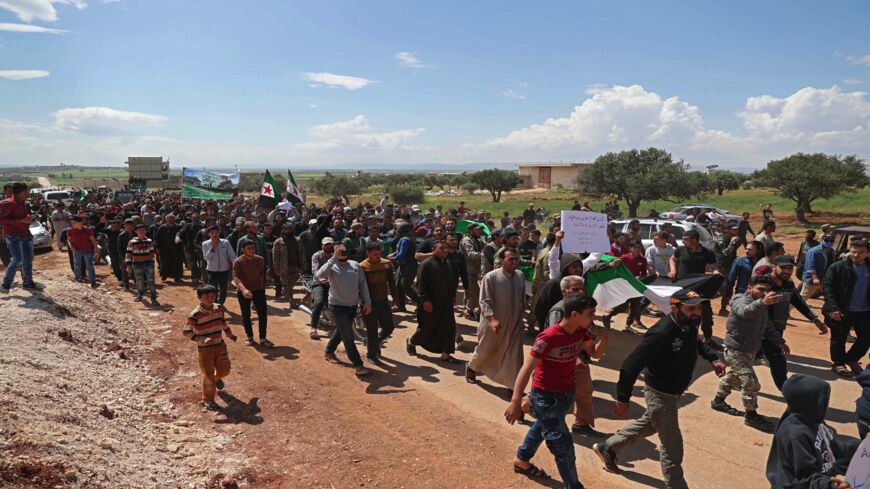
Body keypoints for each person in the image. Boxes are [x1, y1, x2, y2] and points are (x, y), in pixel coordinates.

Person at [593, 289, 727, 488]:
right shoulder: (661, 332)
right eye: (691, 308)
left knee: (650, 424)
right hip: (660, 393)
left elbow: (695, 343)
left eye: (699, 307)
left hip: (675, 391)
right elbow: (631, 364)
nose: (697, 312)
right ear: (675, 308)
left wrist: (713, 358)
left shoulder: (688, 323)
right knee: (672, 445)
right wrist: (623, 398)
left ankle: (607, 447)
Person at [505, 295, 605, 489]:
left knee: (544, 425)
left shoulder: (580, 331)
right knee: (562, 444)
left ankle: (522, 460)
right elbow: (526, 368)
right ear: (574, 314)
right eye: (590, 314)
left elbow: (595, 353)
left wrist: (604, 339)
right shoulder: (548, 337)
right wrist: (516, 401)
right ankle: (573, 485)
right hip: (545, 397)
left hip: (566, 393)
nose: (593, 318)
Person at [711, 275, 787, 432]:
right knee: (750, 382)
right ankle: (751, 415)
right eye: (761, 289)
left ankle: (718, 401)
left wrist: (779, 341)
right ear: (749, 288)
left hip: (749, 350)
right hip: (735, 350)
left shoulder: (762, 306)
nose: (764, 292)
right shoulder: (740, 299)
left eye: (767, 290)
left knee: (733, 377)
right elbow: (743, 312)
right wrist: (762, 302)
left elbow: (767, 326)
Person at [766, 375, 858, 489]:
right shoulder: (795, 435)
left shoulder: (814, 421)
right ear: (808, 402)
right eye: (823, 399)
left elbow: (832, 448)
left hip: (820, 477)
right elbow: (804, 477)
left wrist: (861, 447)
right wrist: (830, 486)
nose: (826, 404)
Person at [546, 275, 609, 437]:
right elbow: (555, 339)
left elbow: (591, 345)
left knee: (584, 391)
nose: (580, 292)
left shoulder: (584, 308)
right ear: (564, 291)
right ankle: (523, 407)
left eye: (581, 288)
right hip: (558, 361)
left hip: (578, 359)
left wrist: (599, 337)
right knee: (548, 396)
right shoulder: (559, 310)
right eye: (575, 289)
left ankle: (582, 423)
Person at [763, 255, 828, 390]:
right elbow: (761, 315)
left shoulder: (788, 284)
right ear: (775, 266)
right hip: (759, 330)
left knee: (749, 358)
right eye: (783, 268)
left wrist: (815, 319)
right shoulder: (763, 284)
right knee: (778, 362)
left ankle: (730, 382)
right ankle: (787, 392)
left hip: (777, 328)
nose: (787, 271)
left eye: (790, 268)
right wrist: (779, 340)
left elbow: (798, 302)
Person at [467, 248, 527, 388]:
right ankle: (471, 367)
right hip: (493, 323)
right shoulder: (491, 277)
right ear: (501, 260)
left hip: (514, 323)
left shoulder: (520, 276)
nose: (514, 262)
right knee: (486, 350)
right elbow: (485, 301)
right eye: (510, 259)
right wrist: (492, 319)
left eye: (516, 259)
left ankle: (513, 387)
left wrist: (522, 316)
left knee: (514, 356)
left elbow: (522, 299)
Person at [318, 243, 372, 377]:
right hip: (337, 306)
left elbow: (363, 284)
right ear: (333, 251)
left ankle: (329, 351)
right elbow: (320, 274)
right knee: (348, 336)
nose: (342, 252)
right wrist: (334, 258)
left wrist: (368, 302)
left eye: (344, 249)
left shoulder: (355, 265)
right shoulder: (332, 265)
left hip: (352, 306)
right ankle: (358, 365)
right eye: (338, 250)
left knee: (342, 330)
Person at [182, 284, 238, 411]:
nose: (210, 299)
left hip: (220, 345)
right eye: (206, 297)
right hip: (205, 349)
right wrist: (202, 339)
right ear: (199, 298)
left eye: (212, 296)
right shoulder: (195, 315)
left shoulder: (218, 308)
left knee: (225, 370)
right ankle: (207, 400)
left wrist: (230, 334)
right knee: (208, 374)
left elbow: (222, 322)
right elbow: (186, 331)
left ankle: (216, 378)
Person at [822, 239, 870, 378]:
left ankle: (852, 359)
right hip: (841, 310)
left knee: (866, 338)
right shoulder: (837, 267)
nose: (856, 255)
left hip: (865, 311)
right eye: (854, 251)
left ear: (868, 253)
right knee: (839, 338)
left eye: (861, 252)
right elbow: (828, 288)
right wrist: (833, 308)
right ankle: (838, 363)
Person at [669, 229, 721, 350]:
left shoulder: (707, 252)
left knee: (706, 315)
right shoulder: (680, 250)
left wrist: (716, 272)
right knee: (681, 313)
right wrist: (673, 270)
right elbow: (673, 259)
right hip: (682, 288)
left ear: (694, 240)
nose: (682, 241)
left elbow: (713, 267)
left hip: (699, 288)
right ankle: (684, 337)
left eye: (685, 239)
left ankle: (707, 339)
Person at [407, 240, 458, 363]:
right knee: (427, 328)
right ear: (434, 249)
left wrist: (453, 296)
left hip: (445, 302)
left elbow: (452, 282)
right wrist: (425, 300)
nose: (445, 250)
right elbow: (421, 285)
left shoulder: (448, 264)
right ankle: (412, 341)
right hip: (430, 302)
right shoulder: (426, 264)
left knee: (449, 327)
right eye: (441, 248)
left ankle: (446, 353)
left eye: (446, 248)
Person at [359, 241, 398, 362]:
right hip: (369, 303)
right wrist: (364, 302)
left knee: (389, 327)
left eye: (379, 253)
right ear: (367, 253)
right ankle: (371, 354)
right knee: (372, 329)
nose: (377, 256)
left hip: (383, 301)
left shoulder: (386, 264)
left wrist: (395, 298)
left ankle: (376, 342)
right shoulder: (362, 266)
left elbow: (391, 282)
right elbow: (359, 287)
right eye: (374, 254)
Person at [0, 183, 37, 292]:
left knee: (28, 259)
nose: (28, 194)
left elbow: (23, 217)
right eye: (27, 192)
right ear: (23, 192)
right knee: (18, 259)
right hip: (13, 236)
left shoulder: (23, 203)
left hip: (25, 234)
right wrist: (21, 220)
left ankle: (27, 282)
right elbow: (1, 220)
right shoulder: (7, 203)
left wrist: (28, 218)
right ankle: (5, 284)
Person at [233, 240, 271, 347]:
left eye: (253, 248)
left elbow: (261, 275)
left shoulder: (260, 260)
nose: (251, 250)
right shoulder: (238, 262)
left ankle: (263, 338)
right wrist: (244, 290)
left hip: (258, 290)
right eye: (248, 248)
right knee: (246, 314)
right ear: (243, 250)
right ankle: (249, 337)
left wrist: (262, 287)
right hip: (243, 291)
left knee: (262, 314)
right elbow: (235, 277)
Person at [272, 223, 306, 308]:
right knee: (287, 284)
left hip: (295, 266)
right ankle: (292, 301)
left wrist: (304, 264)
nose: (288, 231)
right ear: (283, 230)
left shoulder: (297, 240)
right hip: (284, 267)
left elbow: (302, 253)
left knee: (292, 282)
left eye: (290, 229)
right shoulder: (278, 242)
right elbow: (275, 256)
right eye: (286, 229)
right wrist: (276, 268)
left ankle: (287, 292)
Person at [202, 225, 236, 305]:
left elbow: (232, 256)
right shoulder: (205, 244)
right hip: (211, 270)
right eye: (212, 233)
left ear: (219, 233)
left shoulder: (225, 242)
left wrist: (235, 264)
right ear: (208, 234)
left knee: (223, 289)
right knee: (213, 289)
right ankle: (215, 304)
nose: (214, 234)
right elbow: (206, 258)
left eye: (216, 232)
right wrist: (212, 248)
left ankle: (220, 304)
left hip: (224, 270)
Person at [388, 222, 418, 312]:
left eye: (397, 229)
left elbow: (401, 255)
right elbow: (398, 252)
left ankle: (420, 302)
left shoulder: (406, 240)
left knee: (405, 286)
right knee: (397, 285)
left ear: (401, 230)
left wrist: (392, 258)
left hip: (409, 266)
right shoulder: (404, 239)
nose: (396, 230)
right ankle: (401, 305)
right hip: (403, 266)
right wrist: (392, 255)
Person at [125, 224, 159, 304]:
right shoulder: (132, 242)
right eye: (140, 230)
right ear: (136, 232)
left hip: (148, 264)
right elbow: (128, 254)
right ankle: (140, 294)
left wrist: (152, 263)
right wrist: (128, 266)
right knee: (139, 281)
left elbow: (152, 253)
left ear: (146, 231)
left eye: (143, 230)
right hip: (137, 264)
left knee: (151, 281)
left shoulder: (149, 241)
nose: (141, 232)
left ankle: (153, 298)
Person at [460, 223, 485, 321]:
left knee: (472, 291)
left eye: (480, 230)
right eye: (477, 230)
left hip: (476, 269)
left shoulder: (478, 240)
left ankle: (467, 309)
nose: (480, 231)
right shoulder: (467, 240)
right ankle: (468, 311)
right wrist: (483, 254)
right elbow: (471, 254)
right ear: (471, 231)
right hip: (468, 269)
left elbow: (485, 246)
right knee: (472, 291)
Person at [715, 224, 741, 316]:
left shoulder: (734, 239)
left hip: (730, 267)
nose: (737, 231)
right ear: (728, 230)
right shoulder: (721, 239)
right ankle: (703, 302)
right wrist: (732, 243)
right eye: (734, 229)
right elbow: (725, 253)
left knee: (729, 289)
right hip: (721, 268)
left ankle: (723, 309)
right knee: (719, 290)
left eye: (737, 230)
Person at [800, 233, 836, 301]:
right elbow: (810, 266)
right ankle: (785, 309)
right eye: (827, 240)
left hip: (825, 279)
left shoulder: (831, 251)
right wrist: (815, 278)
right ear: (821, 240)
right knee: (803, 297)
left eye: (831, 241)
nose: (829, 242)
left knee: (830, 296)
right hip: (813, 279)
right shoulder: (813, 251)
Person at [67, 215, 99, 288]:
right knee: (77, 265)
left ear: (79, 222)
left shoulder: (88, 229)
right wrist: (71, 246)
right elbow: (68, 239)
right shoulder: (70, 230)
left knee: (89, 266)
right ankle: (78, 279)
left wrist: (96, 247)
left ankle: (93, 283)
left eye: (73, 222)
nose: (72, 223)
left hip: (87, 250)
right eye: (72, 222)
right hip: (76, 250)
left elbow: (92, 239)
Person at [154, 214, 184, 282]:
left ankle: (177, 277)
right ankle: (164, 275)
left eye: (172, 218)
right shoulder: (162, 228)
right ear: (166, 219)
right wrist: (157, 247)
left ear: (174, 219)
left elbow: (184, 236)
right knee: (165, 262)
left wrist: (182, 241)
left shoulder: (179, 227)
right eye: (169, 219)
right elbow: (157, 238)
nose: (171, 220)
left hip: (177, 249)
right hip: (164, 249)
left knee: (177, 263)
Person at [116, 219, 136, 290]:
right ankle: (126, 285)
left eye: (130, 225)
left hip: (135, 255)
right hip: (125, 255)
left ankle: (138, 284)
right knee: (125, 271)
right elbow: (119, 248)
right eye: (127, 225)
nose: (129, 227)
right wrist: (122, 259)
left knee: (136, 269)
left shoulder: (136, 234)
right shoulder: (121, 235)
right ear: (124, 226)